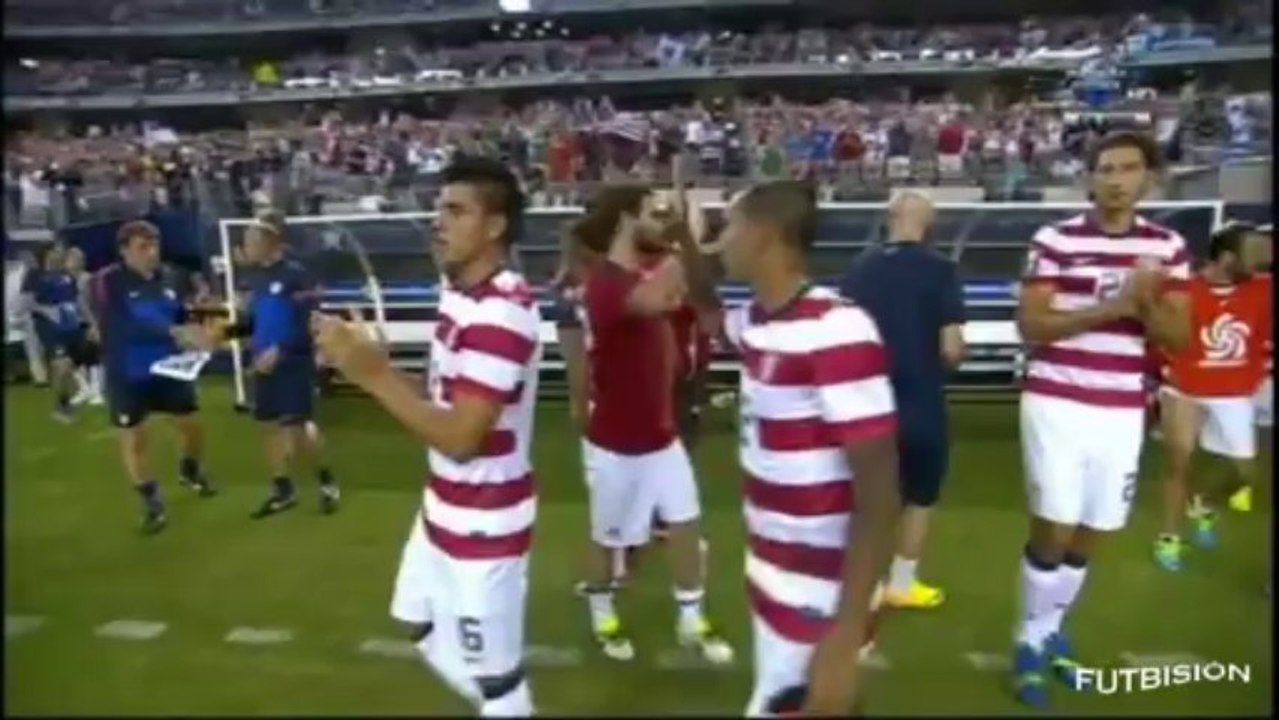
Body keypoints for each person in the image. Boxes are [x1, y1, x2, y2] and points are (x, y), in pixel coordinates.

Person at [312, 157, 539, 717]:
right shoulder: (461, 294)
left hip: (484, 521)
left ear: (495, 226)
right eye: (440, 209)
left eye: (456, 211)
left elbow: (462, 437)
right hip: (444, 504)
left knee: (498, 685)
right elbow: (445, 399)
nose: (439, 222)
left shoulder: (501, 313)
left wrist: (371, 374)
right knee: (417, 622)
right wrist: (372, 363)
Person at [679, 180, 901, 716]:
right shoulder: (759, 320)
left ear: (764, 236)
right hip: (773, 570)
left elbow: (880, 489)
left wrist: (845, 633)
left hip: (820, 589)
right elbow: (708, 310)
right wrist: (681, 241)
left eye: (730, 228)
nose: (720, 242)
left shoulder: (838, 329)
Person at [1012, 131, 1191, 708]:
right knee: (1054, 524)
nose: (1115, 179)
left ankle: (1049, 633)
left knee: (1095, 528)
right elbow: (1031, 326)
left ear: (1148, 179)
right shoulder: (1056, 240)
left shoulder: (1168, 248)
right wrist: (1113, 307)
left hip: (1121, 406)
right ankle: (1029, 643)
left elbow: (1179, 338)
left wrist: (1149, 301)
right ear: (1090, 178)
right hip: (1057, 399)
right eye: (1106, 169)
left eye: (1128, 168)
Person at [572, 184, 732, 666]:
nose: (659, 221)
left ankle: (691, 618)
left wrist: (690, 242)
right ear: (626, 219)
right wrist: (686, 235)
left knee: (685, 524)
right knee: (609, 540)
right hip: (617, 442)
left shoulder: (638, 273)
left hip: (661, 436)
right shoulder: (606, 283)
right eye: (651, 212)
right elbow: (659, 295)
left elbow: (693, 293)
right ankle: (602, 612)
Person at [839, 190, 965, 610]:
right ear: (929, 223)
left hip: (866, 403)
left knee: (870, 498)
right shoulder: (941, 269)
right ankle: (901, 583)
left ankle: (866, 583)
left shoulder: (860, 270)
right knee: (920, 496)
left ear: (889, 217)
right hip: (921, 400)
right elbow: (951, 347)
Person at [1153, 222, 1271, 570]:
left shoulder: (1263, 288)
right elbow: (1159, 333)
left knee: (1244, 473)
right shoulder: (1183, 291)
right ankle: (1169, 538)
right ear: (1228, 258)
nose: (1263, 260)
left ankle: (1204, 503)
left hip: (1234, 393)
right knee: (1179, 464)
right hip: (1184, 388)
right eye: (1254, 254)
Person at [95, 220, 218, 534]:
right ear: (124, 251)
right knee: (135, 438)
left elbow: (180, 314)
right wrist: (174, 331)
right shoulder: (109, 281)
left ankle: (189, 470)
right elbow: (122, 323)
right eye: (142, 247)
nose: (151, 252)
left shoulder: (170, 276)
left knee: (193, 427)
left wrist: (200, 324)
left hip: (170, 368)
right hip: (129, 372)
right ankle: (151, 501)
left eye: (154, 245)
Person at [223, 219, 340, 518]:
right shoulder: (254, 279)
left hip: (293, 364)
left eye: (250, 242)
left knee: (297, 430)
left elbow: (310, 324)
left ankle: (326, 480)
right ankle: (283, 490)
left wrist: (281, 349)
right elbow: (252, 322)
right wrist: (221, 335)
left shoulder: (296, 276)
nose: (245, 248)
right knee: (268, 426)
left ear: (269, 243)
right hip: (263, 364)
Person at [22, 242, 84, 422]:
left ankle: (65, 401)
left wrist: (89, 319)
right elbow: (26, 303)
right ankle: (62, 406)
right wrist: (46, 310)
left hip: (70, 323)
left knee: (68, 364)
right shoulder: (34, 275)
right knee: (61, 363)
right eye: (56, 251)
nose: (60, 253)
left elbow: (76, 299)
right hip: (48, 324)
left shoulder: (66, 275)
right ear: (47, 253)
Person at [65, 246, 105, 407]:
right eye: (70, 259)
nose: (71, 262)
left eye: (75, 259)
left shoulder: (88, 279)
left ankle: (97, 391)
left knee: (92, 356)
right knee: (73, 357)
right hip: (71, 324)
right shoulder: (65, 280)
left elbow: (98, 303)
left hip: (90, 322)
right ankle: (84, 389)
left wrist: (96, 324)